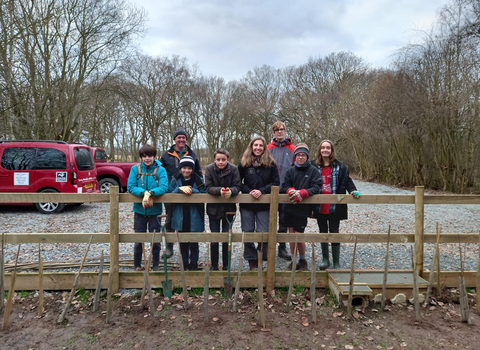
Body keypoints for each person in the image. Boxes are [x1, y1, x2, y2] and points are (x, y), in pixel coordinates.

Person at [313, 140, 360, 269]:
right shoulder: (314, 166)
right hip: (319, 205)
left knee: (334, 232)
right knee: (323, 232)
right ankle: (325, 259)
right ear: (320, 150)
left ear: (332, 150)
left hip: (335, 206)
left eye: (328, 148)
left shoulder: (340, 166)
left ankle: (336, 262)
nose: (325, 150)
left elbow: (347, 181)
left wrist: (352, 190)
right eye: (323, 148)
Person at [160, 127, 203, 258]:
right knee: (170, 219)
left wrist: (197, 187)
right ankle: (169, 247)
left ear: (186, 140)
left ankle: (191, 246)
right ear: (174, 139)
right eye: (179, 137)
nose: (181, 139)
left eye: (183, 137)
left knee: (189, 218)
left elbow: (199, 173)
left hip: (190, 191)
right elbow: (161, 172)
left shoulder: (192, 154)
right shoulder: (166, 155)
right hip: (172, 190)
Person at [238, 136, 280, 270]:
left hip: (264, 204)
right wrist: (249, 191)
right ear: (251, 146)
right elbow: (238, 182)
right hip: (247, 204)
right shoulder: (244, 163)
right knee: (248, 232)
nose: (258, 148)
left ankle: (262, 257)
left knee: (263, 232)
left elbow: (275, 182)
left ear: (264, 147)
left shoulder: (270, 163)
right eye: (255, 145)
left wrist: (261, 191)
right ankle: (252, 261)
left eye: (260, 145)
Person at [280, 143, 322, 271]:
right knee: (291, 235)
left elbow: (317, 186)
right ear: (295, 157)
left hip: (302, 209)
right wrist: (291, 191)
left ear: (307, 157)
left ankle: (302, 259)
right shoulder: (291, 171)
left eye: (303, 155)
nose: (301, 157)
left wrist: (303, 193)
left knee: (299, 235)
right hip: (289, 208)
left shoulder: (313, 171)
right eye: (298, 155)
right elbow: (284, 186)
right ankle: (293, 260)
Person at [127, 144, 169, 271]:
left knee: (155, 239)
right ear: (141, 157)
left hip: (155, 211)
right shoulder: (135, 169)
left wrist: (151, 193)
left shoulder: (161, 170)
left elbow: (164, 186)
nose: (147, 159)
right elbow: (131, 186)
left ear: (154, 157)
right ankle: (137, 265)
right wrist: (142, 193)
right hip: (139, 210)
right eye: (144, 156)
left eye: (149, 156)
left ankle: (155, 265)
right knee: (138, 238)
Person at [204, 148, 241, 270]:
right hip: (213, 209)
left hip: (228, 208)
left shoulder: (234, 169)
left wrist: (231, 191)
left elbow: (237, 186)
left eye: (223, 160)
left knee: (227, 237)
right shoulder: (209, 169)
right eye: (218, 159)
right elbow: (208, 187)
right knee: (214, 237)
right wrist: (220, 191)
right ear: (214, 160)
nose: (221, 162)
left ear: (228, 160)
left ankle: (226, 264)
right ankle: (214, 265)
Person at [168, 156, 206, 270]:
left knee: (194, 242)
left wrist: (192, 190)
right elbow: (170, 194)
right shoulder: (175, 179)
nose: (186, 170)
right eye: (184, 168)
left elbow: (204, 193)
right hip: (180, 215)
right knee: (182, 242)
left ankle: (194, 263)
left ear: (192, 169)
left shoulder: (198, 180)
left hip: (195, 215)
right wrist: (180, 189)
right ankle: (184, 263)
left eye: (189, 168)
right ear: (180, 169)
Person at [267, 121, 295, 261]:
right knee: (268, 219)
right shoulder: (267, 149)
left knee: (284, 219)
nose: (279, 132)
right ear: (273, 132)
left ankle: (282, 247)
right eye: (277, 130)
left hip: (286, 190)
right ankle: (266, 246)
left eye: (282, 129)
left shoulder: (293, 149)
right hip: (269, 190)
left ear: (285, 131)